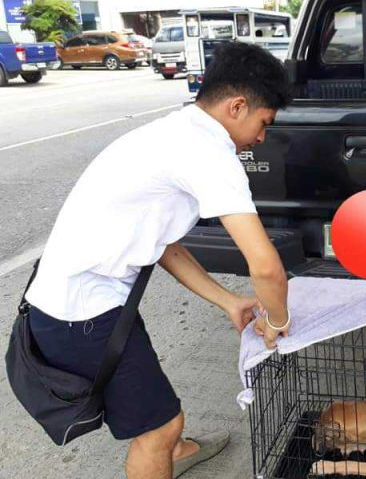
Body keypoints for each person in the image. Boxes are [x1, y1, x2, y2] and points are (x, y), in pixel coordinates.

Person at [23, 42, 293, 479]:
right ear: (238, 106)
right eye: (264, 123)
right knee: (159, 428)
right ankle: (166, 447)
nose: (262, 137)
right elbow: (266, 267)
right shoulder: (211, 155)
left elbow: (163, 245)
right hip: (82, 315)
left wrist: (228, 301)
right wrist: (278, 324)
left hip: (78, 300)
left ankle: (177, 451)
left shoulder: (174, 131)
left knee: (155, 410)